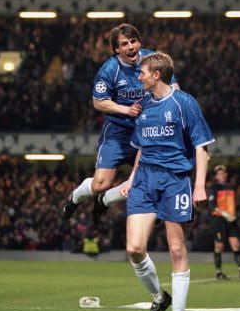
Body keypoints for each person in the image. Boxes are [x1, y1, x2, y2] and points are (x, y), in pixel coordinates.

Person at [121, 52, 214, 311]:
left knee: (176, 249)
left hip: (175, 180)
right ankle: (160, 297)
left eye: (143, 73)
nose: (139, 77)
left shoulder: (184, 102)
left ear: (157, 75)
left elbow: (202, 147)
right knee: (134, 249)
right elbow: (141, 147)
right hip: (145, 179)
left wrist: (199, 185)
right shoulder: (144, 106)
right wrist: (132, 177)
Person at [61, 23, 179, 225]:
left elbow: (173, 88)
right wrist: (126, 110)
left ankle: (105, 201)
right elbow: (98, 101)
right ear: (117, 49)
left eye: (133, 41)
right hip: (118, 132)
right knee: (100, 184)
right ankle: (76, 197)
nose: (130, 47)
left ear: (139, 42)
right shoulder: (110, 69)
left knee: (144, 181)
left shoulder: (154, 61)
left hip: (146, 132)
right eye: (124, 44)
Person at [207, 165, 240, 279]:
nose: (223, 175)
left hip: (231, 220)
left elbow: (236, 203)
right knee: (219, 246)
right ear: (216, 176)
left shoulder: (231, 187)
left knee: (236, 245)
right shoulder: (213, 188)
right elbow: (212, 206)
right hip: (219, 220)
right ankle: (218, 272)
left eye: (224, 173)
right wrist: (225, 214)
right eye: (220, 173)